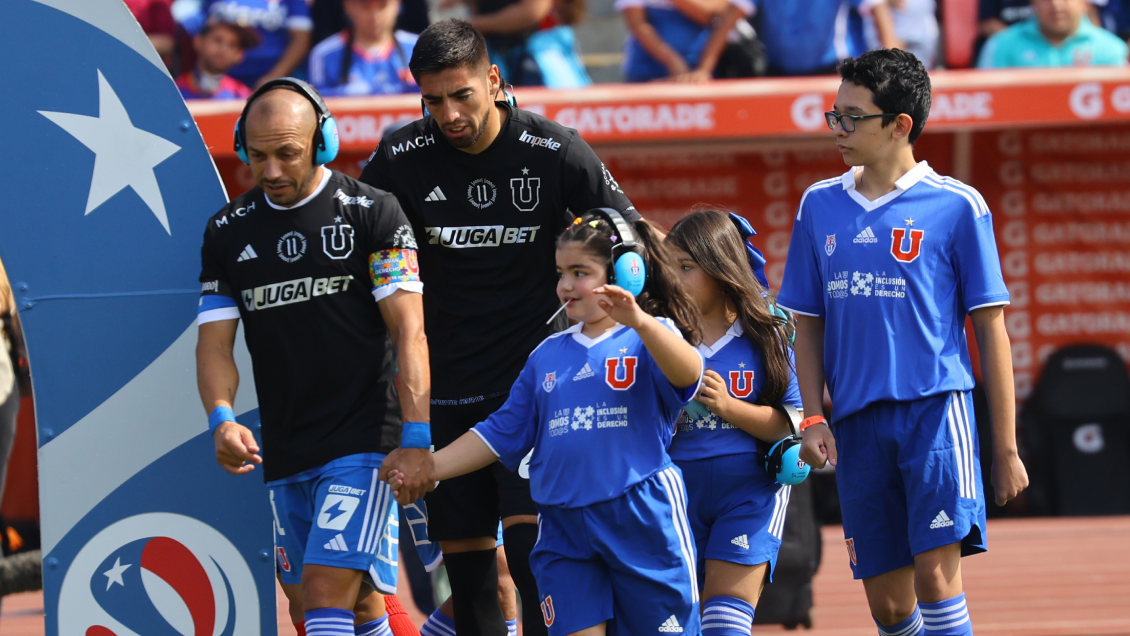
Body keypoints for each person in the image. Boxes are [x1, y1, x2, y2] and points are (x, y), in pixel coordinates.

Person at [358, 20, 637, 636]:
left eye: (462, 95)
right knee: (476, 597)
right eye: (433, 101)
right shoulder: (400, 157)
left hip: (533, 397)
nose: (449, 114)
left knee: (536, 571)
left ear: (493, 79)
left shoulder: (554, 149)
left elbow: (630, 237)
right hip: (445, 395)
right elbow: (349, 240)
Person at [776, 49, 1029, 636]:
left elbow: (990, 329)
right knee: (889, 607)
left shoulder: (958, 205)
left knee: (937, 582)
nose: (837, 130)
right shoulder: (819, 204)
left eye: (852, 117)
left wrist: (1006, 446)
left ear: (899, 125)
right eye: (833, 115)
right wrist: (812, 415)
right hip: (858, 427)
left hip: (936, 415)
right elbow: (806, 324)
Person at [385, 211, 705, 635]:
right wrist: (429, 466)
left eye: (580, 272)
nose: (566, 286)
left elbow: (689, 374)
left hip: (640, 520)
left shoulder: (651, 335)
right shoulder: (546, 355)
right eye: (560, 273)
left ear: (627, 273)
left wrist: (641, 322)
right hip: (562, 530)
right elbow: (500, 430)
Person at [196, 78, 428, 636]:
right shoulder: (226, 232)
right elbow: (214, 343)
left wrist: (417, 437)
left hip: (364, 443)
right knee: (331, 608)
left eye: (286, 154)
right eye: (257, 156)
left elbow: (410, 332)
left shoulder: (376, 213)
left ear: (322, 142)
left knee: (326, 591)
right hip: (285, 446)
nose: (271, 170)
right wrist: (221, 416)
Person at [664, 209, 802, 634]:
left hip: (749, 493)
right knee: (676, 623)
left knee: (724, 623)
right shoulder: (659, 334)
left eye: (686, 267)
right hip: (672, 495)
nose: (674, 279)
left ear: (721, 268)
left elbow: (791, 422)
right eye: (669, 267)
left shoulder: (766, 331)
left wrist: (729, 407)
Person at [744, 0, 901, 76]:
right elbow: (737, 8)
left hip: (837, 69)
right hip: (778, 70)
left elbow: (879, 11)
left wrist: (897, 69)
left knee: (843, 129)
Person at [617, 0, 753, 82]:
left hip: (702, 74)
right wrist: (674, 63)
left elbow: (714, 13)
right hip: (648, 73)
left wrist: (703, 69)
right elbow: (637, 24)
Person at [309, 0, 418, 96]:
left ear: (397, 4)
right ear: (348, 6)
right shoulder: (324, 55)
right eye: (366, 6)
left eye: (382, 6)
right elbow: (318, 109)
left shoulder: (419, 47)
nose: (375, 15)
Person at [978, 0, 1128, 67]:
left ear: (1085, 3)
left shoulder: (1112, 50)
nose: (1056, 5)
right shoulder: (1000, 46)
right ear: (1033, 3)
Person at [200, 0, 314, 87]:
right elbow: (204, 31)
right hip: (218, 78)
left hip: (266, 78)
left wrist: (274, 77)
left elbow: (301, 40)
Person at [176, 18, 260, 100]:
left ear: (239, 55)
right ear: (198, 42)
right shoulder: (173, 91)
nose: (223, 50)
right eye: (217, 40)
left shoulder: (243, 97)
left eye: (232, 45)